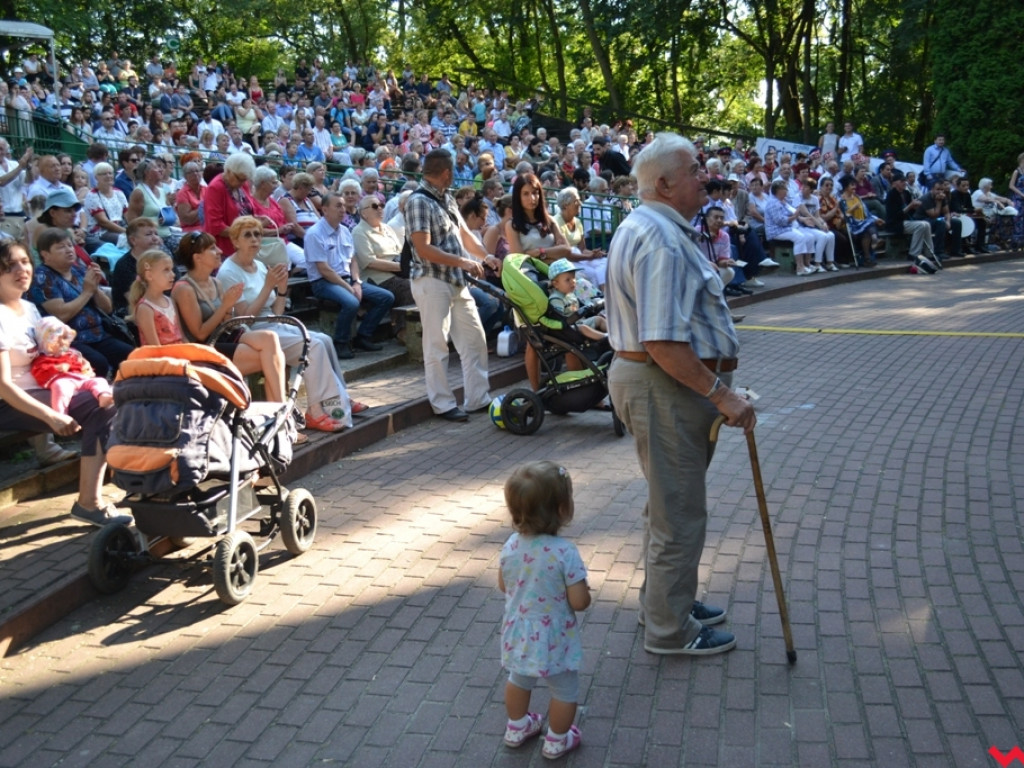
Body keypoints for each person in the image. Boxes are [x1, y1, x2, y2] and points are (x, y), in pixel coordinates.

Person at [605, 132, 755, 657]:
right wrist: (722, 394)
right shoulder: (663, 238)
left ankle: (665, 604)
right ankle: (669, 630)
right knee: (679, 513)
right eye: (694, 170)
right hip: (662, 386)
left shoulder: (649, 225)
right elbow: (662, 340)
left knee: (668, 508)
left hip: (656, 384)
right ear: (665, 184)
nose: (705, 176)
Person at [0, 241, 128, 527]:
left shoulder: (30, 308)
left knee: (112, 397)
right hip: (9, 401)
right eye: (10, 265)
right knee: (101, 408)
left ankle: (114, 485)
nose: (22, 269)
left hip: (45, 387)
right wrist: (52, 416)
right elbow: (3, 386)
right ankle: (90, 502)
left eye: (25, 262)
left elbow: (46, 354)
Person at [216, 216, 367, 432]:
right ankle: (315, 411)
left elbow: (277, 312)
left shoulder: (259, 265)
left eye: (257, 234)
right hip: (253, 332)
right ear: (235, 241)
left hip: (272, 323)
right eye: (247, 235)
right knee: (312, 346)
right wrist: (269, 287)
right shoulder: (228, 271)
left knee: (323, 339)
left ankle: (341, 397)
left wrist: (283, 288)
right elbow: (245, 318)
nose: (254, 239)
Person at [498, 461, 590, 760]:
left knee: (518, 678)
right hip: (554, 637)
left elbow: (504, 584)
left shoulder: (511, 545)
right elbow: (579, 601)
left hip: (519, 630)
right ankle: (557, 740)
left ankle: (517, 726)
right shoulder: (565, 553)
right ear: (563, 509)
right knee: (564, 689)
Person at [404, 149, 492, 422]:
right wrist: (464, 263)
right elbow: (423, 248)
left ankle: (478, 399)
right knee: (436, 345)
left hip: (455, 281)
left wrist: (485, 256)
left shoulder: (448, 199)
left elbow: (465, 236)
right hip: (431, 281)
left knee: (475, 339)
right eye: (452, 172)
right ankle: (442, 403)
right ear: (446, 173)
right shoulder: (418, 201)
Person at [172, 232, 287, 403]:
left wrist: (229, 310)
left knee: (270, 338)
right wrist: (226, 305)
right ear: (198, 258)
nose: (219, 251)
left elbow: (225, 322)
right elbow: (200, 334)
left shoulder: (215, 282)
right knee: (272, 358)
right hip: (204, 347)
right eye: (212, 248)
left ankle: (278, 411)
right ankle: (279, 412)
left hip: (225, 336)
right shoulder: (184, 288)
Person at [30, 227, 134, 377]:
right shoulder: (43, 277)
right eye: (61, 247)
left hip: (98, 333)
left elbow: (108, 308)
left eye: (69, 245)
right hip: (69, 340)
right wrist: (87, 292)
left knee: (130, 354)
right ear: (45, 255)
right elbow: (61, 315)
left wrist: (95, 288)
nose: (68, 250)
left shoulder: (78, 270)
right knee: (99, 363)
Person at [305, 192, 394, 359]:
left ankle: (363, 336)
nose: (343, 209)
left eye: (344, 206)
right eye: (338, 206)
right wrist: (349, 288)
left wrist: (356, 282)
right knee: (352, 302)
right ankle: (340, 343)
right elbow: (324, 269)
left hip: (347, 279)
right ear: (324, 209)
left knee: (386, 297)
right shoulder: (314, 234)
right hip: (323, 282)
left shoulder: (345, 231)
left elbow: (353, 260)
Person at [30, 316, 114, 413]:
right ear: (45, 344)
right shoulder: (43, 359)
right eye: (56, 340)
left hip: (81, 380)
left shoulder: (72, 353)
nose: (62, 343)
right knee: (60, 387)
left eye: (65, 338)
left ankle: (103, 396)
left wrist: (85, 368)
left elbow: (82, 364)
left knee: (99, 380)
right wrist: (57, 368)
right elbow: (40, 373)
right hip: (64, 381)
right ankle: (61, 413)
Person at [129, 249, 183, 346]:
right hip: (162, 358)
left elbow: (182, 336)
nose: (173, 274)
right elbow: (155, 347)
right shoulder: (145, 308)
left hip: (180, 353)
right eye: (166, 270)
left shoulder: (170, 301)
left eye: (172, 269)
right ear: (149, 275)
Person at [546, 259, 607, 341]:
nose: (573, 281)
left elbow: (574, 309)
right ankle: (605, 338)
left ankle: (613, 334)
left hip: (580, 321)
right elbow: (559, 318)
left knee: (598, 319)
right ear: (556, 284)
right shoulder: (556, 299)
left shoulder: (570, 295)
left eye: (573, 278)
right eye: (568, 280)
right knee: (583, 328)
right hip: (569, 328)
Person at [885, 170, 938, 264]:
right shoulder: (891, 195)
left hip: (907, 220)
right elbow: (895, 215)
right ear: (894, 183)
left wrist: (916, 207)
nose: (904, 183)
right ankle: (913, 253)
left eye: (904, 181)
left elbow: (911, 212)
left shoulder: (906, 193)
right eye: (901, 181)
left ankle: (930, 253)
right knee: (921, 225)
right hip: (896, 223)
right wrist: (910, 206)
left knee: (926, 224)